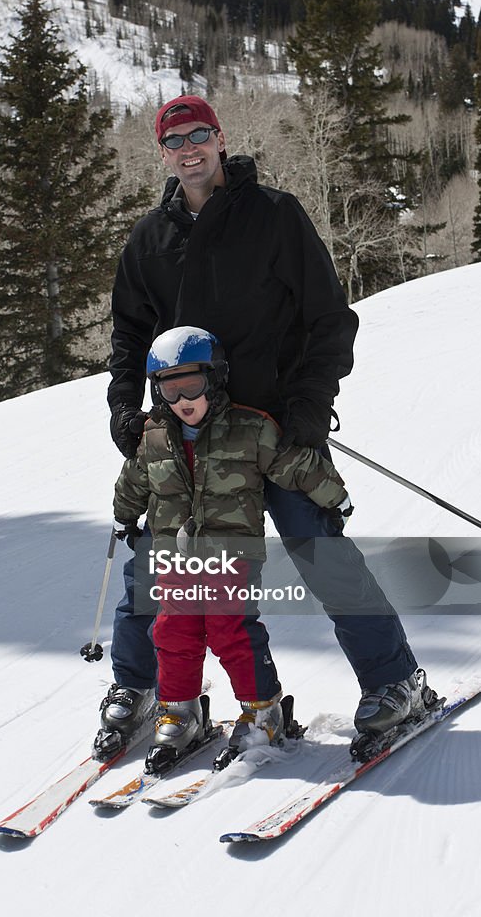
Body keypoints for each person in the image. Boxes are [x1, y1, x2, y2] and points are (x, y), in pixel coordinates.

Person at [95, 93, 423, 760]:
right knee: (156, 565)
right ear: (161, 153)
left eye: (198, 135)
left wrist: (306, 402)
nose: (187, 149)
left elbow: (328, 319)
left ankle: (396, 682)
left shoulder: (273, 215)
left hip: (272, 427)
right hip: (184, 435)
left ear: (219, 140)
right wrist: (126, 407)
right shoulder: (150, 237)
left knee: (318, 548)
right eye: (173, 140)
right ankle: (142, 686)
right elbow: (129, 334)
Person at [111, 326, 352, 772]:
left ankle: (263, 711)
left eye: (192, 385)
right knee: (172, 633)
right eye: (170, 387)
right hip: (174, 557)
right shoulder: (153, 438)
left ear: (215, 378)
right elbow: (133, 483)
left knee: (230, 631)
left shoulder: (249, 429)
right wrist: (124, 515)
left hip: (230, 555)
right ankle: (179, 710)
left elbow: (293, 464)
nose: (183, 398)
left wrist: (333, 495)